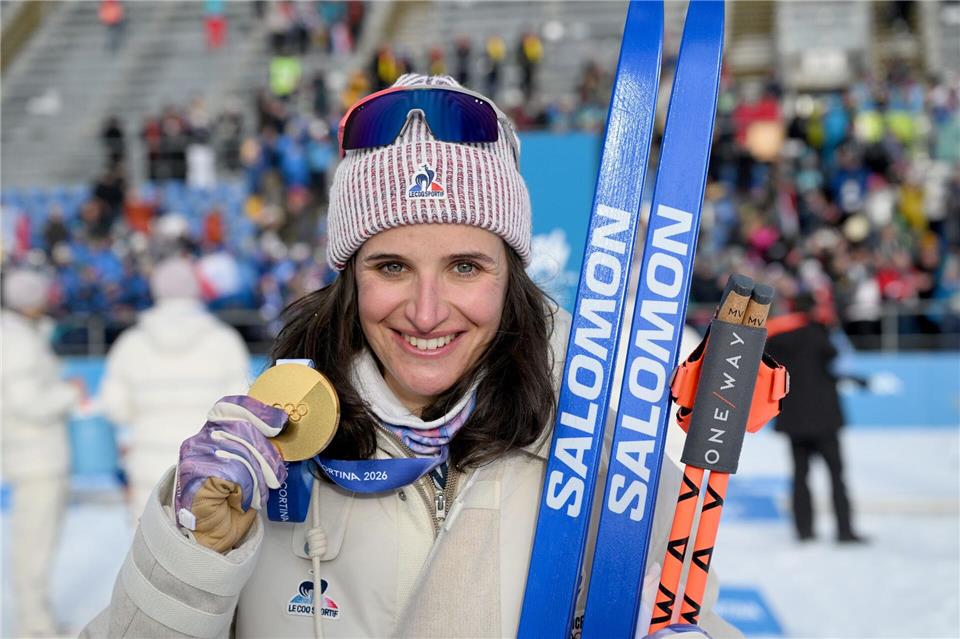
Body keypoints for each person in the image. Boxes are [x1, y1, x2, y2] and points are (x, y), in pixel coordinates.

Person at [83, 75, 739, 638]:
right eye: (392, 265)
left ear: (509, 277)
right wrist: (190, 560)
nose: (426, 312)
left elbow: (694, 611)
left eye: (464, 265)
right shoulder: (268, 469)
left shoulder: (605, 463)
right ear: (350, 279)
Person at [98, 256, 251, 521]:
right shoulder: (225, 341)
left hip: (148, 463)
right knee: (206, 553)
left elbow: (115, 408)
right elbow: (240, 410)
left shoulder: (131, 343)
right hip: (209, 465)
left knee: (146, 552)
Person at [1, 268, 81, 637]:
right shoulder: (17, 340)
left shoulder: (18, 334)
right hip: (36, 455)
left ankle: (36, 620)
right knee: (35, 544)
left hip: (31, 453)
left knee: (35, 543)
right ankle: (34, 626)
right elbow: (27, 401)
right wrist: (69, 393)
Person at [765, 293, 866, 543]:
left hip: (794, 419)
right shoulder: (821, 334)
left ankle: (804, 531)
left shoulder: (777, 337)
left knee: (800, 476)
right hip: (824, 419)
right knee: (836, 475)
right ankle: (844, 530)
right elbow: (839, 363)